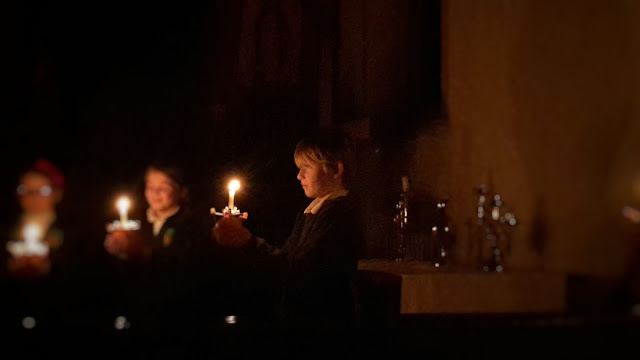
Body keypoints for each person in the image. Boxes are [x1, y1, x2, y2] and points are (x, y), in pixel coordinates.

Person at [213, 129, 364, 329]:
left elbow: (303, 271)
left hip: (324, 325)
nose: (299, 175)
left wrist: (249, 242)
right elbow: (285, 261)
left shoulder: (338, 215)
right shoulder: (312, 213)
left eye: (307, 167)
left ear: (336, 170)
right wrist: (243, 243)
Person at [103, 162, 202, 338]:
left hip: (176, 320)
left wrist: (142, 254)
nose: (155, 193)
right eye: (150, 187)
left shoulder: (191, 225)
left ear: (182, 191)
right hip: (136, 314)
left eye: (163, 187)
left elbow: (186, 270)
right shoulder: (136, 224)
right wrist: (116, 251)